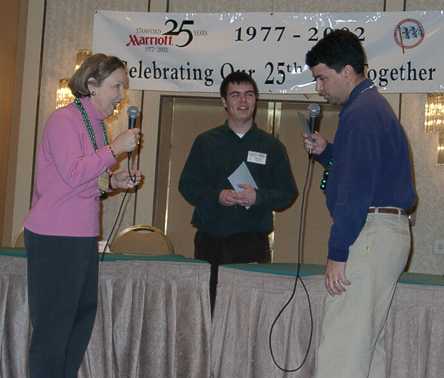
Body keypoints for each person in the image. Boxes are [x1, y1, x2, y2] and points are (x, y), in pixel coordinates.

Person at [304, 30, 416, 378]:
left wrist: (338, 252)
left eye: (322, 78)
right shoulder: (372, 107)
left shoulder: (361, 114)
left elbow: (355, 191)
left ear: (348, 71)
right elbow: (368, 172)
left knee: (342, 348)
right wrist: (329, 153)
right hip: (385, 232)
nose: (319, 88)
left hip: (370, 233)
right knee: (366, 348)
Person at [24, 54, 142, 378]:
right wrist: (116, 148)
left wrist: (114, 182)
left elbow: (90, 182)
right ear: (91, 85)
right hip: (55, 235)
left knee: (80, 319)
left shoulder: (97, 126)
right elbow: (74, 172)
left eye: (124, 87)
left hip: (83, 234)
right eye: (116, 86)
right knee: (53, 325)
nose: (122, 95)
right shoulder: (63, 120)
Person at [179, 71, 298, 312]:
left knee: (248, 311)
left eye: (249, 95)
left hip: (252, 241)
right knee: (208, 308)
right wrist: (217, 196)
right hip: (211, 240)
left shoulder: (271, 146)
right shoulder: (206, 141)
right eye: (235, 95)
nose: (243, 101)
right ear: (224, 101)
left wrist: (258, 197)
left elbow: (287, 193)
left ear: (256, 100)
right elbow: (187, 186)